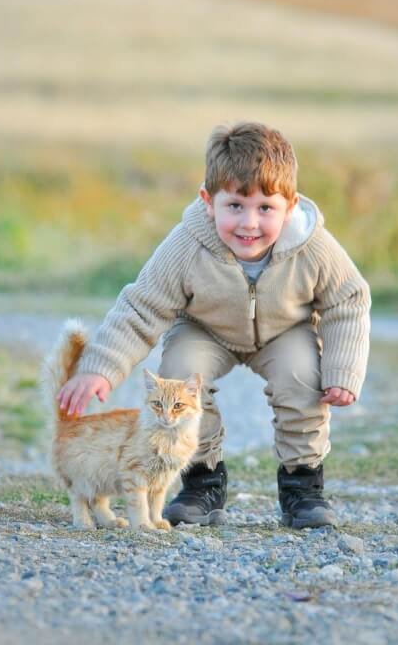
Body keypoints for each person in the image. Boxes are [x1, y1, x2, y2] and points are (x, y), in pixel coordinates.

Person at [58, 122, 371, 529]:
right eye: (235, 206)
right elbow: (142, 306)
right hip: (206, 331)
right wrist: (100, 367)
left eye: (266, 208)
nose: (249, 223)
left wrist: (343, 371)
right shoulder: (188, 243)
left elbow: (349, 298)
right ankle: (201, 479)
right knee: (179, 374)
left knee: (301, 379)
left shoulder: (312, 246)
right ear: (209, 201)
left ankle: (302, 483)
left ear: (290, 205)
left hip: (285, 332)